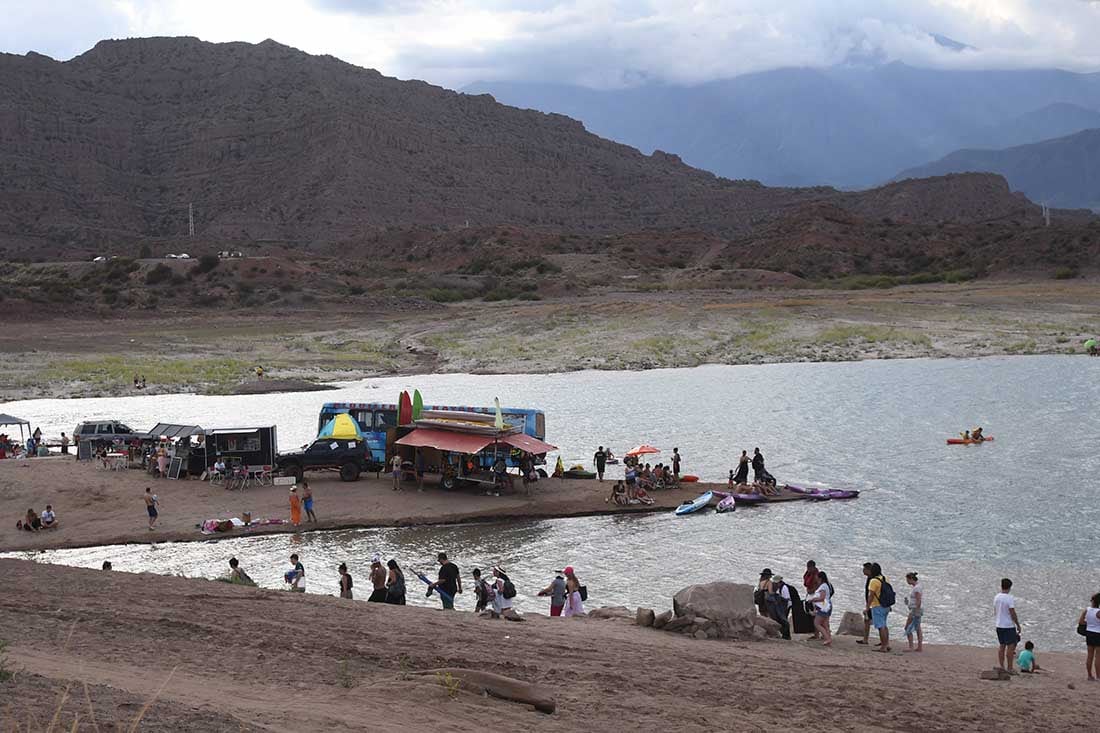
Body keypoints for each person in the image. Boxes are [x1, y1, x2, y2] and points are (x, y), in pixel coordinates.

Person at [994, 577, 1021, 672]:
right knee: (1011, 646)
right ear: (1009, 587)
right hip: (1008, 625)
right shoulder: (1009, 598)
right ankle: (1010, 667)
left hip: (999, 624)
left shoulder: (997, 597)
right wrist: (1017, 624)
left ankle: (1002, 666)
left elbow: (995, 610)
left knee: (1002, 645)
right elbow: (1012, 612)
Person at [866, 562, 892, 652]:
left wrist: (867, 607)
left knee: (881, 627)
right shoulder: (885, 578)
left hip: (877, 605)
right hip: (886, 605)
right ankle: (887, 644)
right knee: (884, 625)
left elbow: (871, 595)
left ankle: (883, 647)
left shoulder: (873, 581)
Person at [806, 570, 834, 646]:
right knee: (825, 624)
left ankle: (827, 638)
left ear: (820, 578)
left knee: (817, 623)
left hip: (824, 606)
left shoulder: (823, 586)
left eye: (817, 578)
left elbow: (822, 598)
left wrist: (812, 599)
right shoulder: (825, 585)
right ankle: (829, 639)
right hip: (826, 606)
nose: (816, 579)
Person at [1077, 592, 1100, 680]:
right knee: (1098, 656)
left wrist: (1090, 623)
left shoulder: (1087, 610)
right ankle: (1098, 677)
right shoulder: (1099, 612)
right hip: (1098, 634)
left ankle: (1089, 675)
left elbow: (1081, 622)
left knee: (1089, 655)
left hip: (1089, 633)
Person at [766, 574, 793, 639]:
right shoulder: (780, 588)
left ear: (779, 582)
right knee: (783, 620)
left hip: (787, 605)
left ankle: (787, 635)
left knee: (784, 620)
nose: (775, 584)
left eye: (776, 583)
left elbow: (786, 599)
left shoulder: (784, 588)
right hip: (783, 605)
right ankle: (785, 634)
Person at [904, 572, 924, 652]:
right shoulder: (917, 587)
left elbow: (918, 600)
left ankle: (911, 646)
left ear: (911, 579)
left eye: (907, 579)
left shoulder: (916, 588)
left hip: (915, 610)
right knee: (917, 628)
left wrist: (916, 611)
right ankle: (919, 646)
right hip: (915, 609)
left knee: (907, 627)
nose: (907, 581)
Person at [857, 562, 874, 645]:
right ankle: (865, 638)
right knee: (867, 620)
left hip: (873, 603)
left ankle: (866, 639)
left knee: (877, 622)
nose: (863, 571)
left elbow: (872, 593)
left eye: (864, 569)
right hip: (870, 603)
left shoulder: (872, 579)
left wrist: (868, 606)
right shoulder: (870, 578)